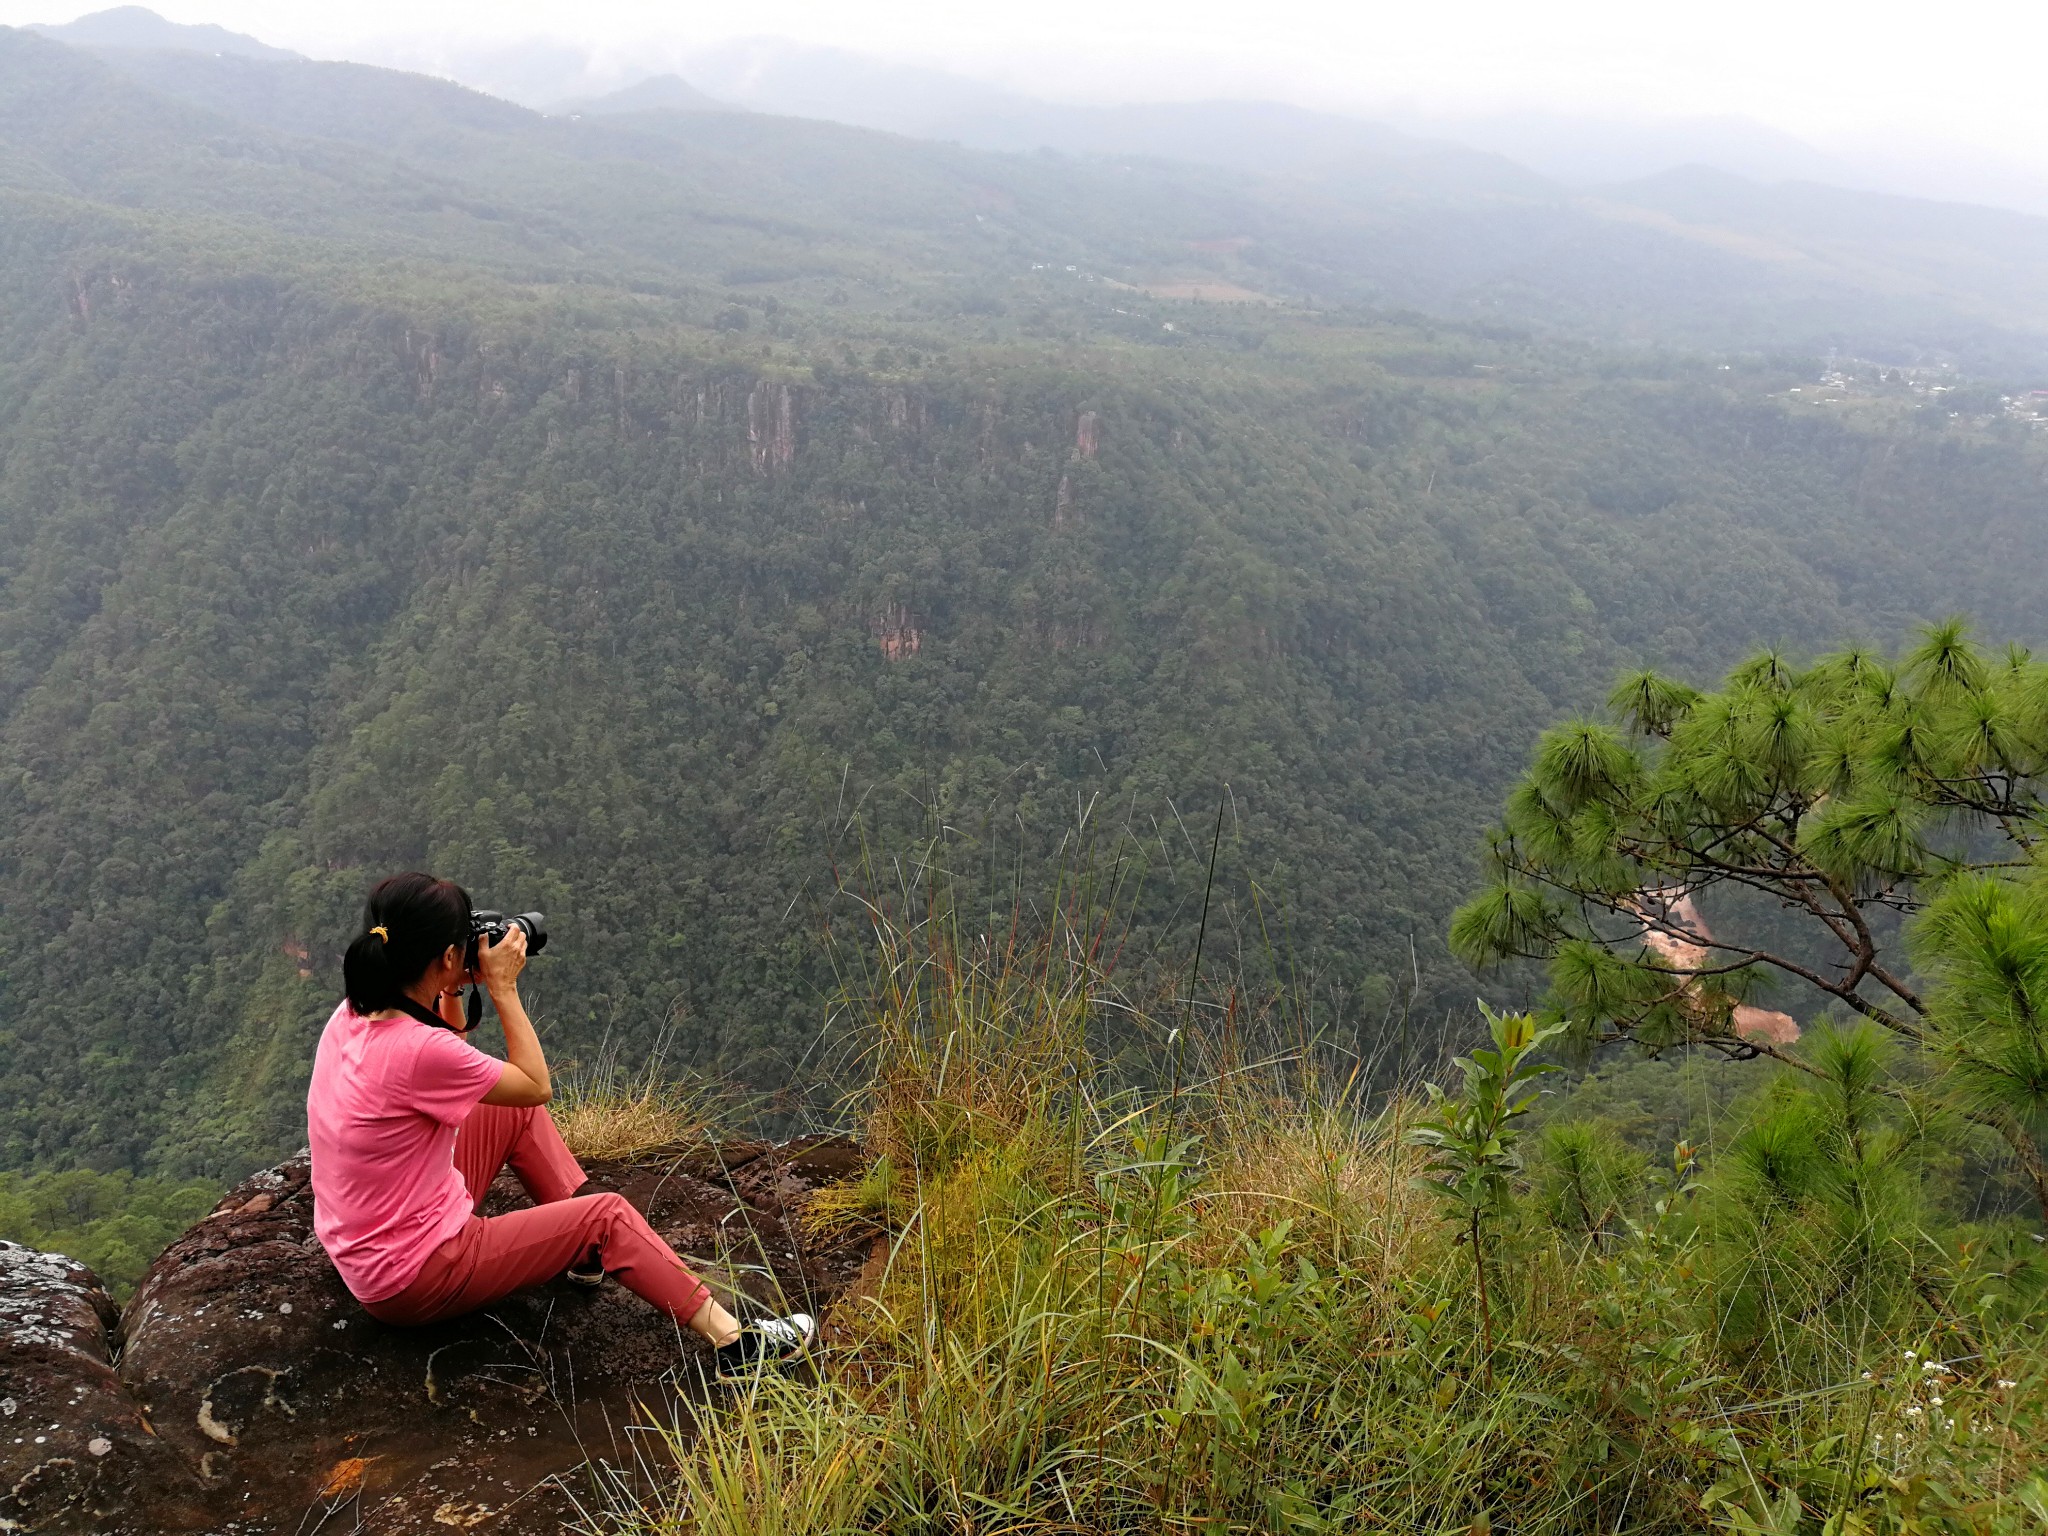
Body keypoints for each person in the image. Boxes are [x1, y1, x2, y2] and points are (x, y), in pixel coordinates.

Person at [305, 871, 813, 1377]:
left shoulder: (355, 1011)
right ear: (444, 956)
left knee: (513, 1113)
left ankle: (581, 1250)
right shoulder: (416, 1049)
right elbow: (534, 1083)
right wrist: (501, 987)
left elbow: (451, 1054)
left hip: (367, 1247)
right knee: (607, 1215)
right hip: (416, 1275)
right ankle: (738, 1345)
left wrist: (454, 983)